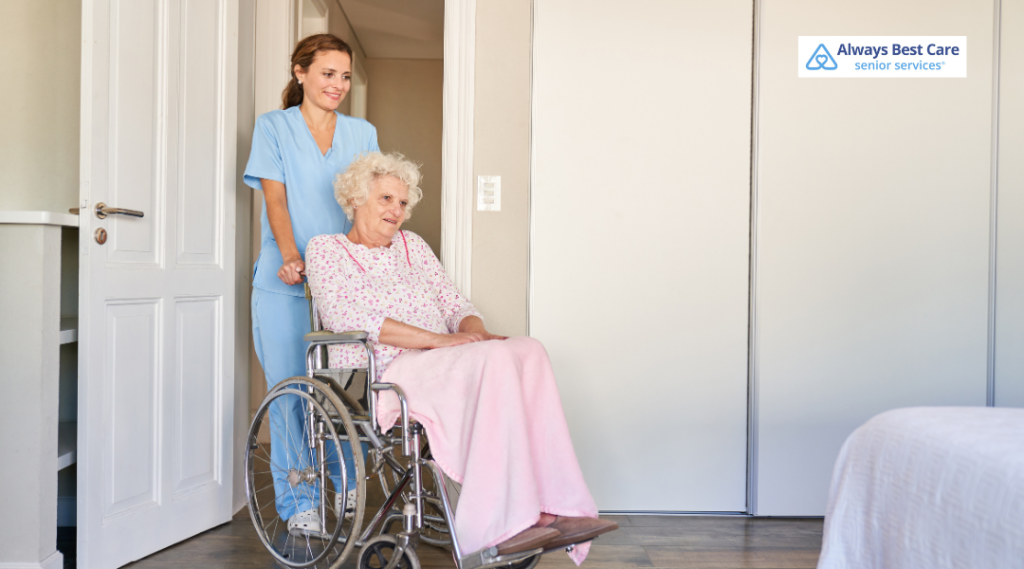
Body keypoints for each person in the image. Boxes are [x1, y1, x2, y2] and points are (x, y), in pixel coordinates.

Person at [305, 152, 618, 564]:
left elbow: (454, 303)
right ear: (357, 199)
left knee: (528, 350)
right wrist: (440, 341)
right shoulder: (326, 250)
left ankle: (556, 501)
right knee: (495, 360)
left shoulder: (412, 245)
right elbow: (351, 316)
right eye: (385, 199)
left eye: (402, 203)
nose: (396, 211)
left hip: (443, 358)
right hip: (388, 369)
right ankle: (497, 519)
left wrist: (474, 332)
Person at [243, 33, 376, 534]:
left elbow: (367, 203)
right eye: (328, 73)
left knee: (344, 393)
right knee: (291, 392)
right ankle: (298, 500)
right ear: (300, 73)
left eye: (345, 76)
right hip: (285, 281)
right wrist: (292, 255)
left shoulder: (362, 133)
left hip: (342, 285)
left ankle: (345, 486)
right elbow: (275, 200)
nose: (338, 84)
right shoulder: (274, 127)